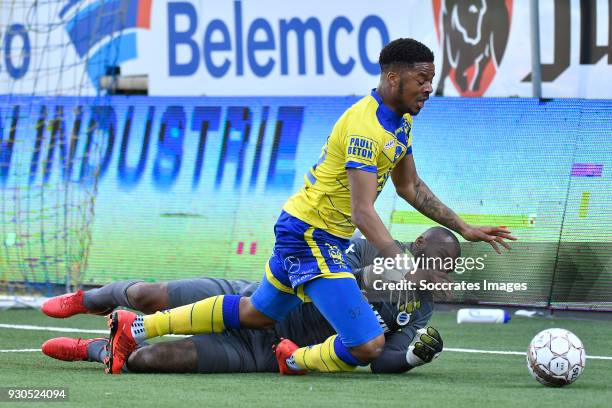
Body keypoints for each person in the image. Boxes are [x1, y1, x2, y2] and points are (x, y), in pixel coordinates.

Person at [103, 38, 516, 375]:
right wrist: (401, 261)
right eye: (422, 79)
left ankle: (136, 327)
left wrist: (464, 228)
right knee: (369, 342)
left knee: (255, 312)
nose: (429, 87)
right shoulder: (365, 128)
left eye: (431, 79)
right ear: (393, 78)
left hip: (304, 228)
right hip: (311, 236)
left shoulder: (401, 122)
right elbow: (362, 212)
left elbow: (411, 188)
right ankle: (295, 361)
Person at [42, 228, 459, 374]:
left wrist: (412, 358)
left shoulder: (419, 309)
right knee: (145, 295)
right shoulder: (367, 250)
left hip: (261, 353)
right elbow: (318, 276)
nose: (440, 275)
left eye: (447, 271)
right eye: (437, 263)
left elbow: (379, 360)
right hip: (250, 302)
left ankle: (94, 350)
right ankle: (89, 299)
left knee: (147, 362)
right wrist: (383, 278)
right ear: (417, 245)